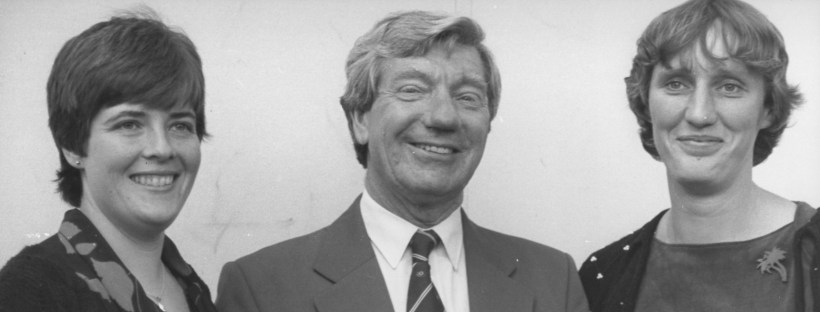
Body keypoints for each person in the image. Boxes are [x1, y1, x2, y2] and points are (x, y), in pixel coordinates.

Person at [216, 10, 589, 312]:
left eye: (468, 97)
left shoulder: (554, 280)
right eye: (412, 90)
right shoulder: (261, 288)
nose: (443, 117)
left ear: (489, 124)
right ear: (360, 118)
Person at [578, 0, 818, 311]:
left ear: (768, 109)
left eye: (729, 87)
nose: (699, 114)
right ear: (645, 101)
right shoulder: (604, 274)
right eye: (676, 84)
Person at [0, 11, 217, 312]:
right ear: (73, 146)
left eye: (180, 125)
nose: (162, 148)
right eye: (129, 124)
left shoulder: (194, 292)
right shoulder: (30, 292)